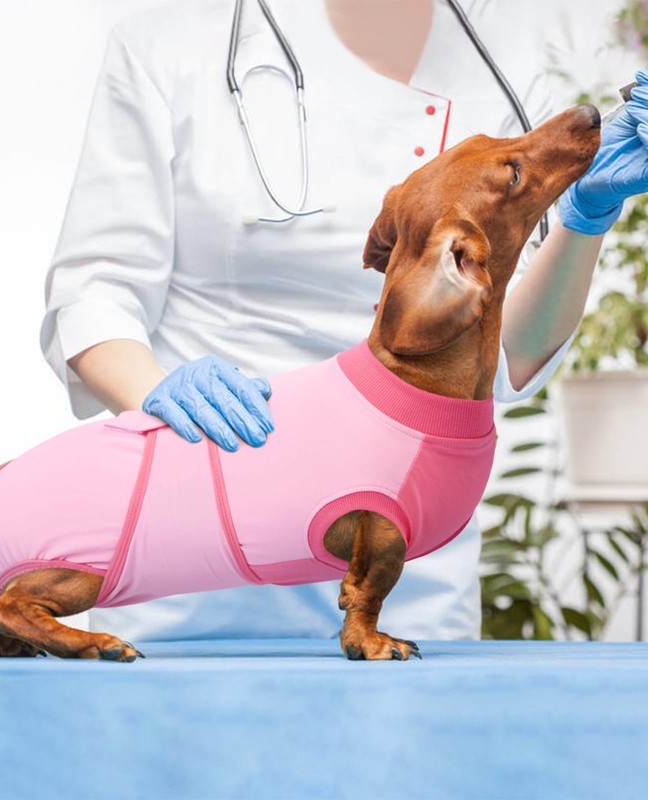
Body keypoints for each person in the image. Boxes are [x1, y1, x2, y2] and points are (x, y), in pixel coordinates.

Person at [40, 0, 648, 642]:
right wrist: (157, 394)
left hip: (403, 574)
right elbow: (94, 289)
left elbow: (508, 355)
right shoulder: (169, 47)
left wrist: (584, 219)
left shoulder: (503, 63)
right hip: (200, 535)